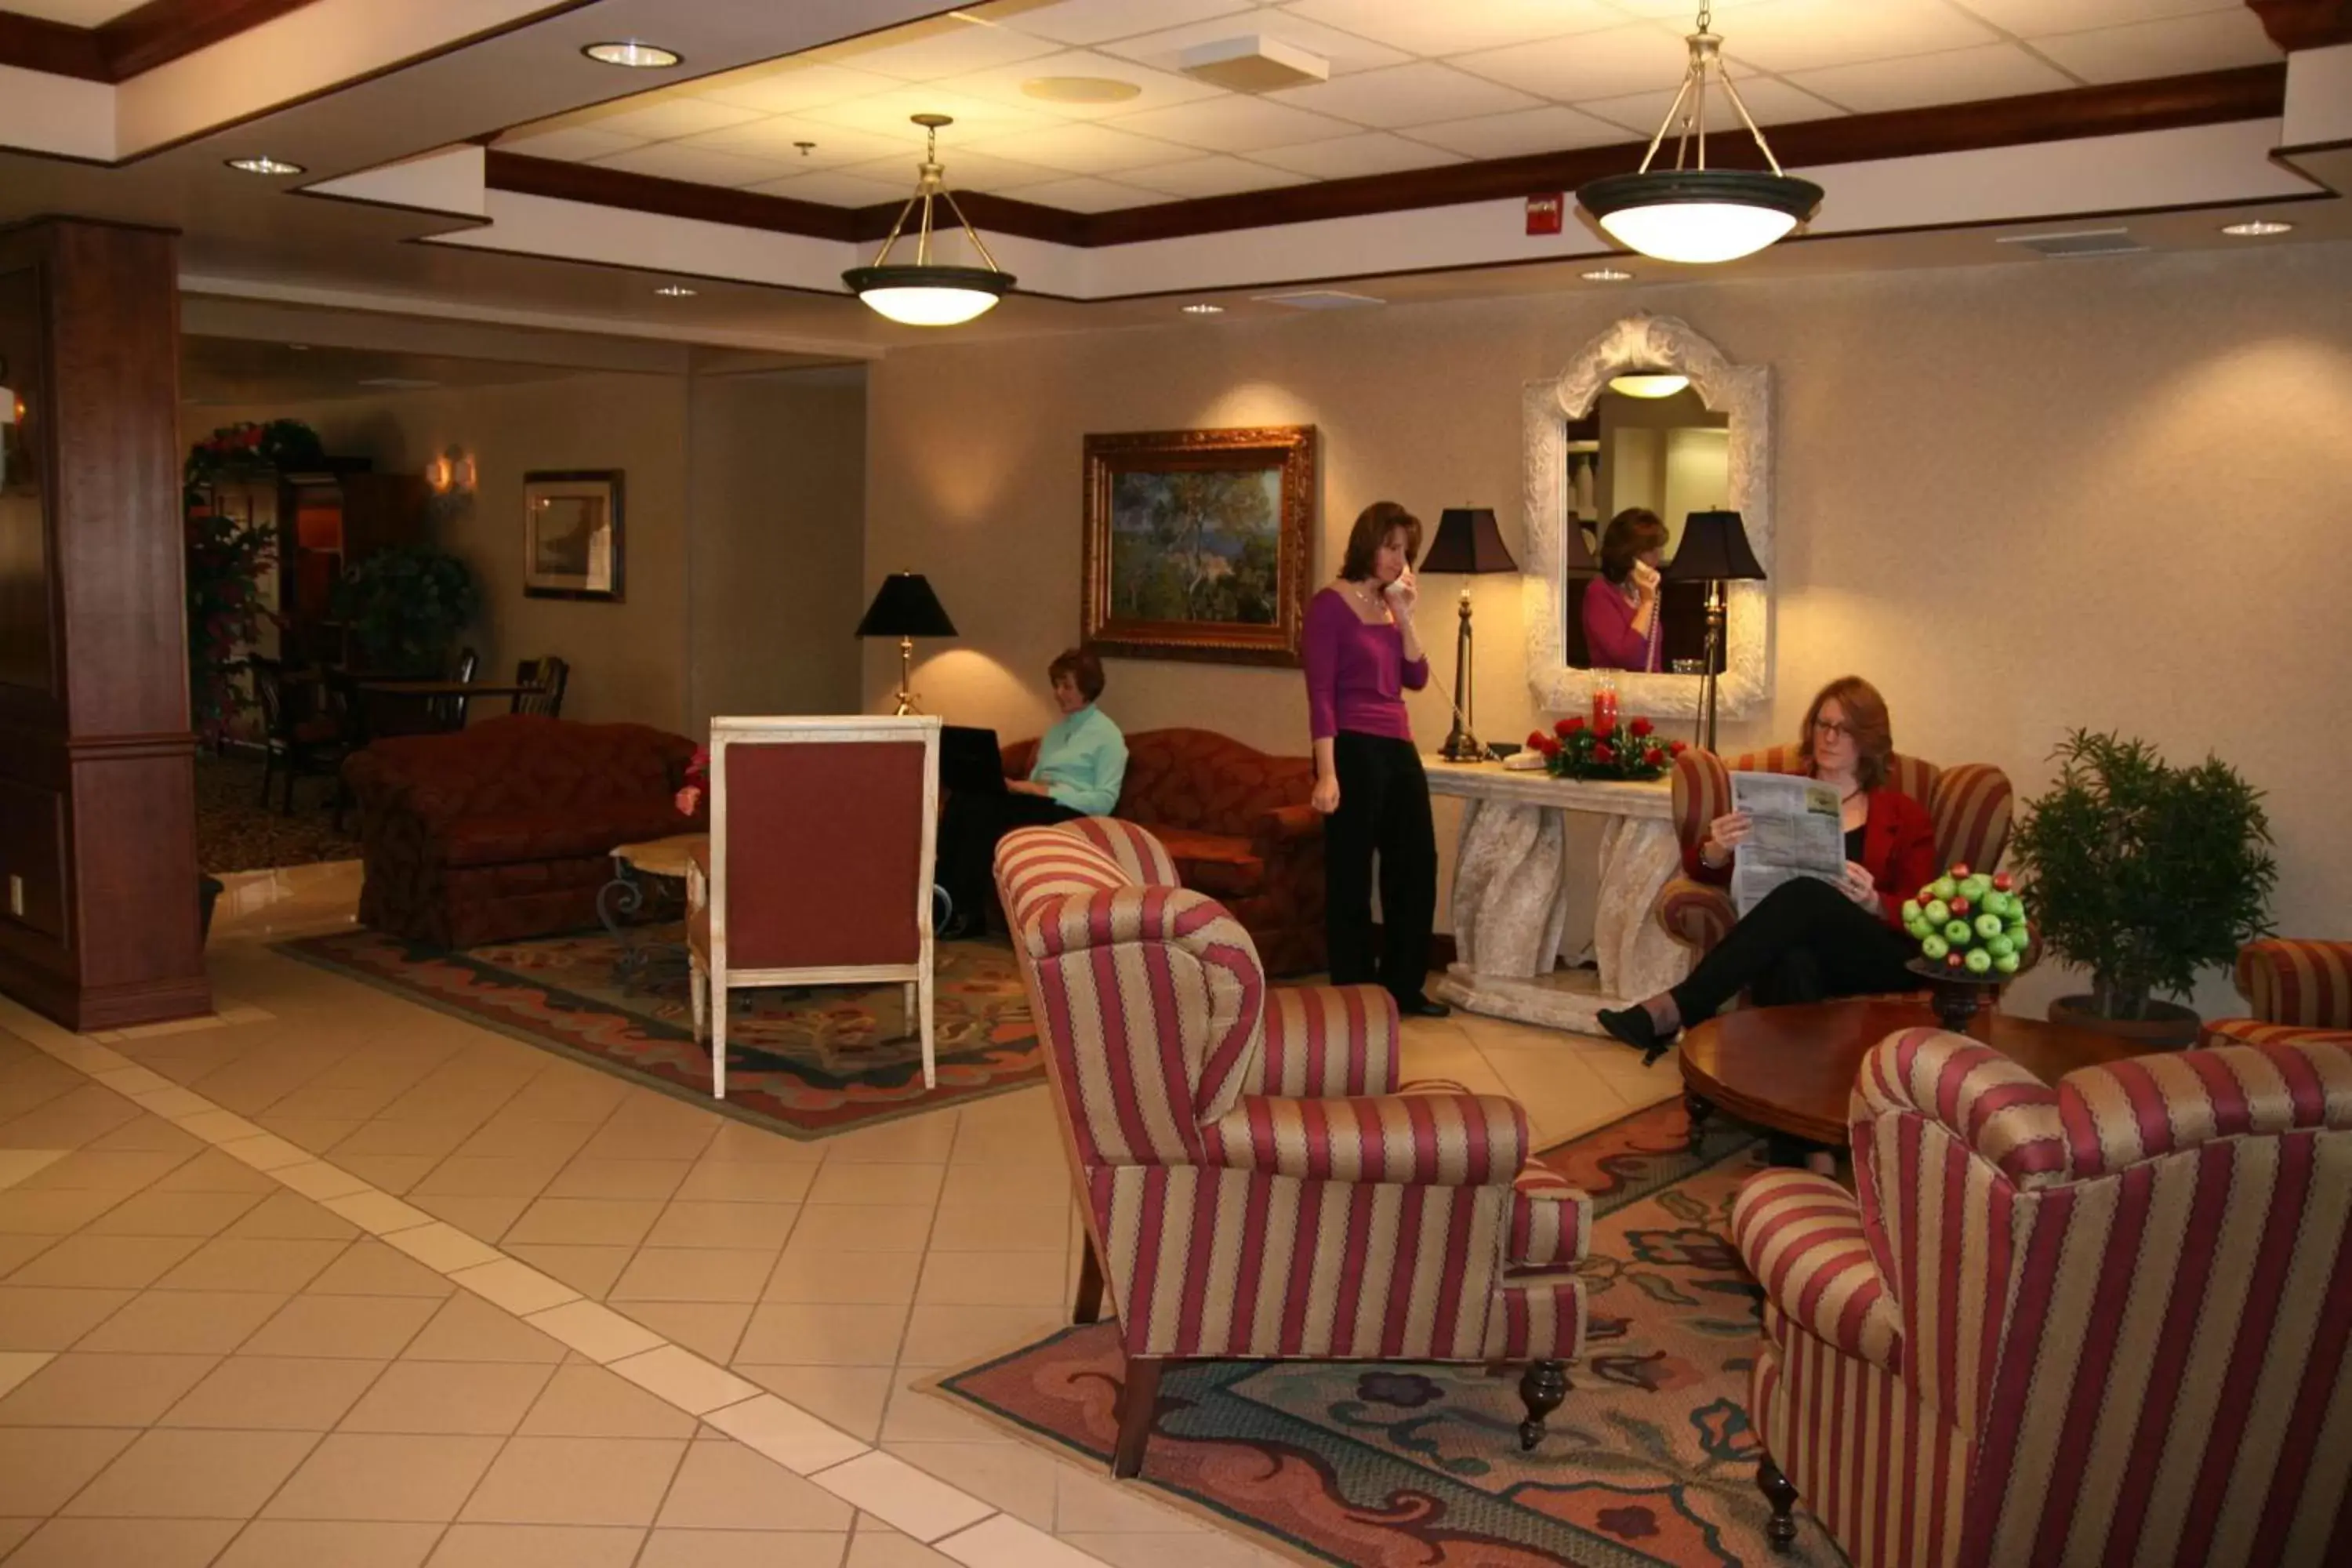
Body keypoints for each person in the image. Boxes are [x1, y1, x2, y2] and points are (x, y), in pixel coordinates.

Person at [1598, 676, 1936, 1063]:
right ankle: (1782, 1105)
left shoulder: (1904, 814)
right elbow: (1703, 869)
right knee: (1794, 959)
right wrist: (1717, 849)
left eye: (1843, 729)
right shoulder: (1777, 793)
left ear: (1868, 739)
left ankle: (1681, 1006)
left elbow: (1922, 910)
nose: (1828, 737)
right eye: (1822, 724)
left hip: (1874, 954)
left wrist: (1875, 902)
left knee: (1806, 894)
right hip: (1796, 943)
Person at [1305, 501, 1447, 1018]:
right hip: (1349, 745)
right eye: (1391, 547)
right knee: (1350, 872)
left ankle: (1403, 986)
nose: (1397, 558)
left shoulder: (1391, 607)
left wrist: (1406, 616)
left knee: (1416, 863)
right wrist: (1327, 772)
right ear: (1368, 543)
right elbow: (1320, 693)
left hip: (1397, 742)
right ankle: (1354, 991)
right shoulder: (1330, 605)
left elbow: (1415, 678)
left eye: (1405, 551)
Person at [936, 647, 1127, 939]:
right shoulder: (1056, 732)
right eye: (1056, 685)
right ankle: (941, 900)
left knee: (983, 812)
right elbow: (1035, 780)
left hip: (1071, 810)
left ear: (1087, 689)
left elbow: (1105, 800)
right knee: (964, 798)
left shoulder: (1109, 737)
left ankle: (966, 911)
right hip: (1040, 802)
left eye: (1067, 686)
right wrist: (1020, 788)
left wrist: (1047, 791)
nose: (1058, 693)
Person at [1581, 507, 1668, 672]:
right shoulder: (1599, 592)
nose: (1658, 556)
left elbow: (1654, 661)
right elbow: (1628, 658)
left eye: (1659, 548)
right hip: (1614, 693)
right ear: (1629, 555)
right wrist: (1647, 604)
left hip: (1649, 693)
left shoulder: (1640, 591)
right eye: (1650, 549)